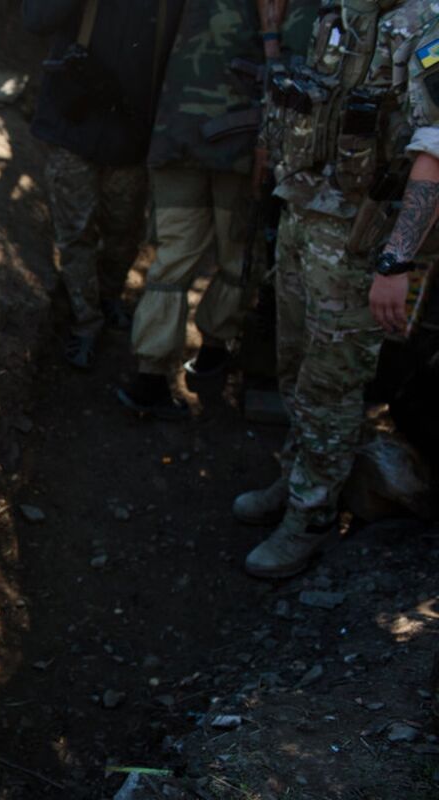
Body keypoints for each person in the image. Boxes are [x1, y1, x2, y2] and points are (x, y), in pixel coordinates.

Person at [236, 0, 439, 578]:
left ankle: (311, 516)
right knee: (295, 363)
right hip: (305, 213)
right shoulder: (343, 8)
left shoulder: (429, 22)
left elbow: (436, 145)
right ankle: (297, 475)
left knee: (332, 383)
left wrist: (395, 260)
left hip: (362, 237)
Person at [117, 0, 313, 418]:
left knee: (173, 260)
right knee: (235, 257)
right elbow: (298, 74)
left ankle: (149, 376)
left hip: (175, 138)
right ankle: (212, 352)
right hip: (239, 152)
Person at [22, 0, 183, 369]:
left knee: (124, 230)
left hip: (131, 135)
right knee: (75, 234)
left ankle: (110, 295)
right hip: (72, 129)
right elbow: (36, 19)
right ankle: (85, 320)